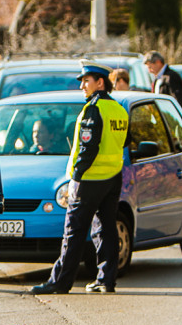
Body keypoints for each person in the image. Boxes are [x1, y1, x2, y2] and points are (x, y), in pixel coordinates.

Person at [31, 62, 130, 295]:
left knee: (73, 232)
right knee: (106, 229)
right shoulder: (119, 109)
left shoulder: (93, 109)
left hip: (89, 180)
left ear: (100, 82)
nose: (82, 86)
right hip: (113, 177)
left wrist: (76, 179)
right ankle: (106, 280)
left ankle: (60, 282)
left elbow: (88, 148)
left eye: (86, 81)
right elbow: (125, 142)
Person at [144, 50, 182, 128]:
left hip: (174, 122)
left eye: (150, 67)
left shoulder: (171, 77)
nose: (149, 71)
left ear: (158, 62)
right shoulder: (157, 79)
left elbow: (179, 101)